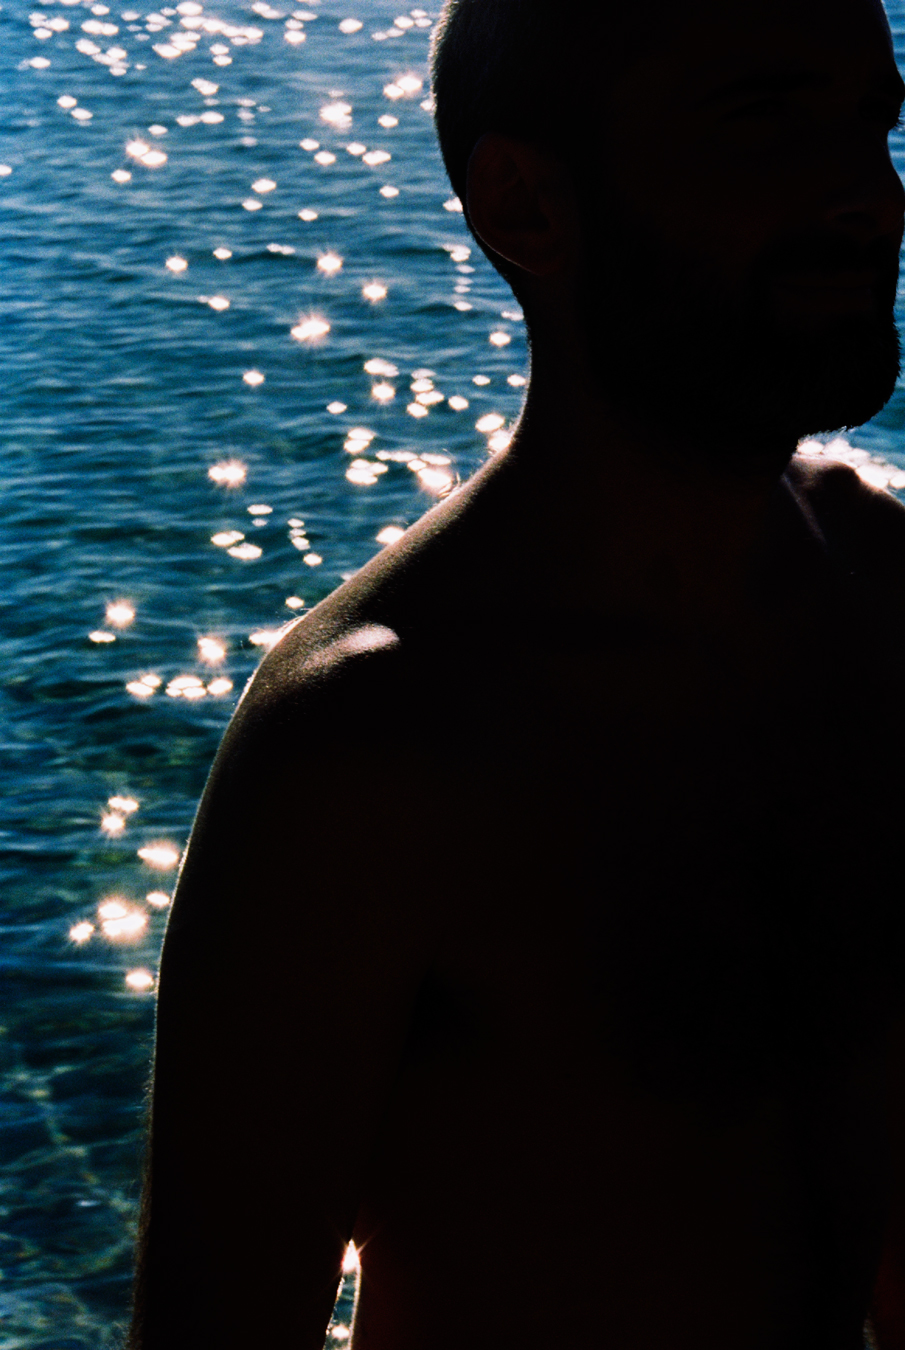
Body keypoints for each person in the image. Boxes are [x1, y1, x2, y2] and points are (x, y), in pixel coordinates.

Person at [128, 0, 905, 1345]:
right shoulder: (371, 752)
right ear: (526, 206)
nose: (873, 199)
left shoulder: (882, 592)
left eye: (872, 125)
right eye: (763, 123)